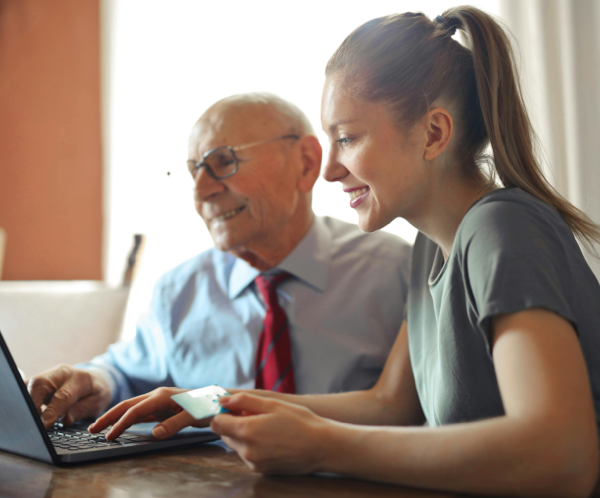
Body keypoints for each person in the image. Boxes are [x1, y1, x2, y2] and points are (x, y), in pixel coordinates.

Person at [89, 6, 600, 497]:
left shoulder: (501, 227)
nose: (329, 170)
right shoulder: (429, 249)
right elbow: (388, 405)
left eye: (348, 138)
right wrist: (211, 402)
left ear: (434, 133)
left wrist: (321, 447)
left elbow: (563, 458)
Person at [27, 93, 411, 430]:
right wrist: (95, 381)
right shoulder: (179, 289)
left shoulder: (396, 272)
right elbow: (126, 372)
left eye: (223, 162)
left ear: (307, 163)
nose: (201, 191)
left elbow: (409, 411)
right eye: (195, 170)